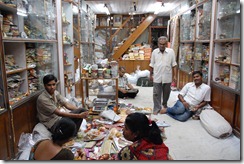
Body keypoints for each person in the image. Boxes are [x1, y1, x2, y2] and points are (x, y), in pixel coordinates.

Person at [149, 36, 177, 115]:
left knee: (166, 93)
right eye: (160, 44)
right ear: (158, 44)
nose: (162, 46)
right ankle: (157, 108)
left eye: (164, 44)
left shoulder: (171, 52)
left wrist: (174, 76)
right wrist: (150, 74)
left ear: (166, 44)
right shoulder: (154, 52)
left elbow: (174, 65)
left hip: (167, 76)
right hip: (157, 76)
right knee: (156, 93)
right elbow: (151, 64)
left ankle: (164, 106)